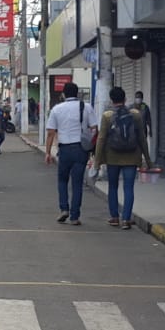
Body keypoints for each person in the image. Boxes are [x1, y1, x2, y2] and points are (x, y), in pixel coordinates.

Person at [95, 87, 154, 230]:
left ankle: (115, 217)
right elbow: (142, 139)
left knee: (113, 187)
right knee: (128, 188)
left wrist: (97, 161)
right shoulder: (136, 115)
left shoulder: (107, 116)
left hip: (112, 157)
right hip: (132, 157)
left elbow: (101, 139)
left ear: (111, 100)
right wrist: (148, 160)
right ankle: (126, 219)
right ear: (125, 99)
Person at [44, 82, 97, 226]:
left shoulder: (56, 109)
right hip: (81, 149)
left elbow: (51, 133)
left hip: (64, 149)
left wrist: (48, 152)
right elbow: (94, 128)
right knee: (77, 183)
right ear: (77, 93)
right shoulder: (86, 107)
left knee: (62, 180)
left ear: (63, 94)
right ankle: (75, 216)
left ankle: (64, 209)